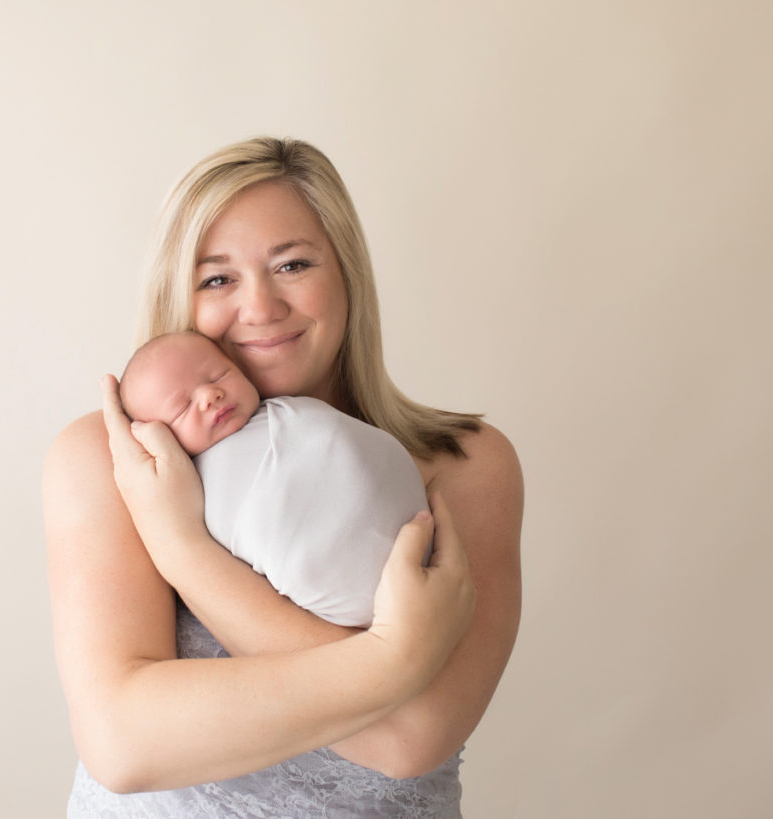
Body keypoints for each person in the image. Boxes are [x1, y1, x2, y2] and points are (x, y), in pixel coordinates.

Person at [43, 137, 524, 817]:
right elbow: (122, 743)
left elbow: (412, 737)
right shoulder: (107, 461)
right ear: (178, 295)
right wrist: (395, 660)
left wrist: (183, 547)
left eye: (292, 264)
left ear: (348, 275)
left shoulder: (466, 465)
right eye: (218, 278)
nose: (260, 306)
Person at [118, 329, 430, 627]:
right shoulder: (185, 491)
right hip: (337, 593)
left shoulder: (285, 411)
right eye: (182, 407)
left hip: (408, 532)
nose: (210, 395)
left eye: (218, 375)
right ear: (154, 438)